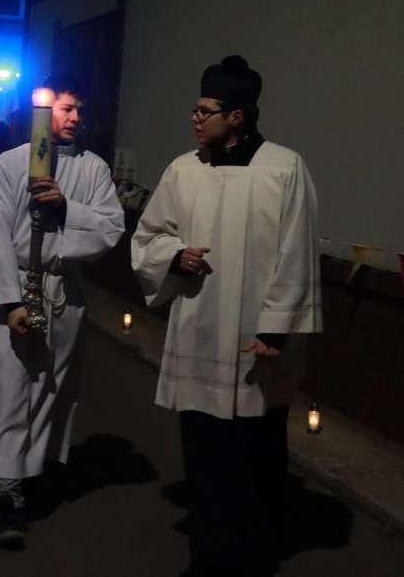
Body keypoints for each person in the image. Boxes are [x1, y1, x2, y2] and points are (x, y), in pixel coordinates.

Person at [130, 55, 321, 577]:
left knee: (256, 453)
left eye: (204, 110)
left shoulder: (284, 167)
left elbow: (297, 249)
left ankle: (257, 557)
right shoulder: (182, 169)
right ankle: (211, 558)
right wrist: (174, 255)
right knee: (207, 457)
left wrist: (275, 328)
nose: (194, 119)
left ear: (237, 116)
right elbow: (149, 234)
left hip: (257, 342)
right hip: (199, 330)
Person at [0, 75, 124, 549]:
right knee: (8, 388)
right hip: (17, 290)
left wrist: (67, 208)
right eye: (65, 109)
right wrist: (8, 304)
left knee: (50, 388)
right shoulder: (10, 164)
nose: (74, 119)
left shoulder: (92, 168)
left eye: (79, 111)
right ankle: (7, 493)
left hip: (64, 292)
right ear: (43, 114)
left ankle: (28, 473)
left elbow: (110, 228)